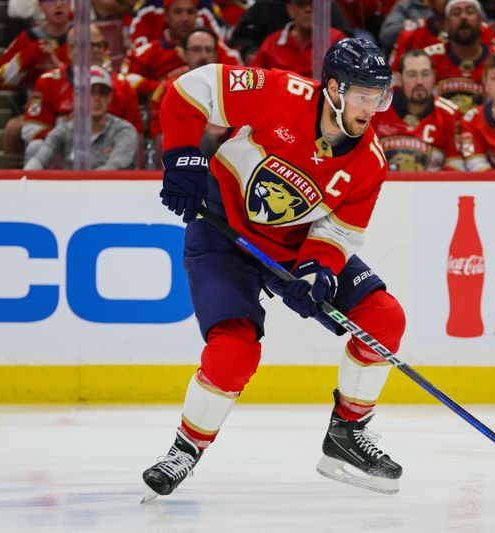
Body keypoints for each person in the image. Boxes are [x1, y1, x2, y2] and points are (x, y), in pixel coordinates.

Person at [141, 38, 407, 501]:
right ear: (334, 88)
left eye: (379, 95)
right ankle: (185, 449)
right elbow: (189, 90)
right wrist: (183, 159)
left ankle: (346, 432)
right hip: (223, 229)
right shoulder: (280, 92)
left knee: (384, 317)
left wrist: (317, 271)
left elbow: (339, 231)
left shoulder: (369, 162)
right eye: (364, 94)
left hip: (291, 245)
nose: (373, 106)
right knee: (235, 348)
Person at [22, 24, 142, 144]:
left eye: (100, 45)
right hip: (59, 153)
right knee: (36, 147)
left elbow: (135, 134)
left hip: (109, 155)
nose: (96, 51)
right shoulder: (47, 83)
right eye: (88, 46)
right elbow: (33, 129)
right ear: (70, 51)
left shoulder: (123, 86)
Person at [0, 0, 71, 166]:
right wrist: (26, 58)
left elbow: (98, 73)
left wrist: (58, 66)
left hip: (74, 110)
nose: (58, 5)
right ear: (41, 6)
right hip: (37, 111)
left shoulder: (82, 36)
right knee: (12, 129)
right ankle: (16, 179)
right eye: (51, 1)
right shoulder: (28, 38)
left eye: (64, 0)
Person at [23, 66, 138, 170]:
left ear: (109, 98)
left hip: (110, 190)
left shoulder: (124, 131)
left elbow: (114, 168)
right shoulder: (66, 129)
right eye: (90, 93)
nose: (97, 98)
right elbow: (42, 155)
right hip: (71, 190)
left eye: (102, 93)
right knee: (36, 147)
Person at [371, 48, 464, 170]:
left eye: (425, 74)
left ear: (434, 76)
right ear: (399, 78)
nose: (419, 81)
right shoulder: (376, 109)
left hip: (432, 187)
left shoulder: (450, 114)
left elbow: (456, 165)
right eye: (412, 74)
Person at [124, 0, 240, 96]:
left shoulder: (211, 46)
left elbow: (238, 76)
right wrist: (164, 89)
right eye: (178, 12)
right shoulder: (150, 51)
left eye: (190, 12)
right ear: (166, 16)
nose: (185, 18)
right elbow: (128, 80)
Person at [149, 28, 227, 165]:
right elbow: (159, 135)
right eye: (196, 49)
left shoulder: (230, 87)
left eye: (208, 50)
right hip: (184, 157)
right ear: (184, 54)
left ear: (215, 55)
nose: (203, 55)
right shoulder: (168, 89)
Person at [425, 0, 494, 114]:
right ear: (446, 24)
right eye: (456, 13)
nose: (463, 17)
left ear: (481, 21)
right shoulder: (429, 59)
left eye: (470, 12)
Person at [389, 0, 495, 71]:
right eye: (456, 12)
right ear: (427, 2)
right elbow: (394, 79)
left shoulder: (483, 32)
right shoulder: (411, 34)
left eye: (469, 11)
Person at [251, 0, 347, 78]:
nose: (308, 9)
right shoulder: (272, 42)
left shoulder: (337, 40)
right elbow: (253, 78)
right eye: (301, 4)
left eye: (313, 4)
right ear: (290, 9)